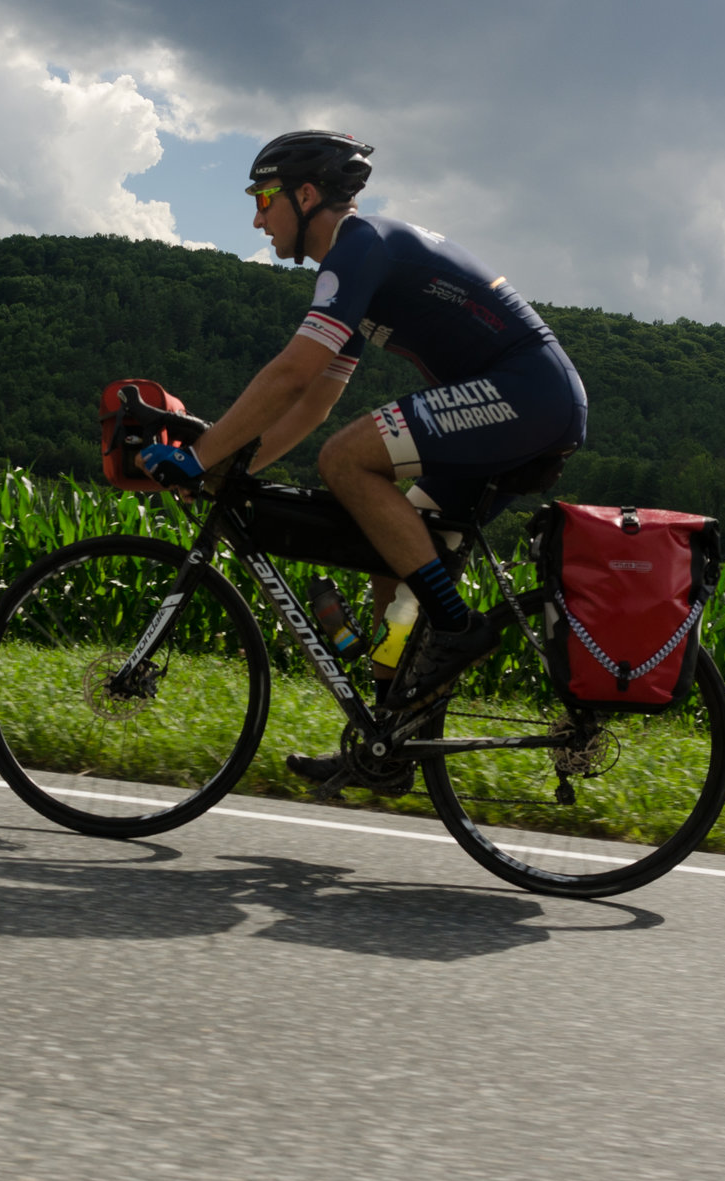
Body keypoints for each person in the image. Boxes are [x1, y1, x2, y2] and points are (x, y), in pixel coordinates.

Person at [133, 130, 589, 789]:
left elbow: (292, 372)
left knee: (347, 461)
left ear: (306, 194)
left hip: (529, 396)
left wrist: (202, 455)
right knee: (394, 559)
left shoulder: (360, 248)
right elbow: (313, 400)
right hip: (522, 402)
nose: (257, 217)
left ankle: (458, 628)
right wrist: (237, 467)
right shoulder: (355, 267)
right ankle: (388, 744)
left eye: (265, 199)